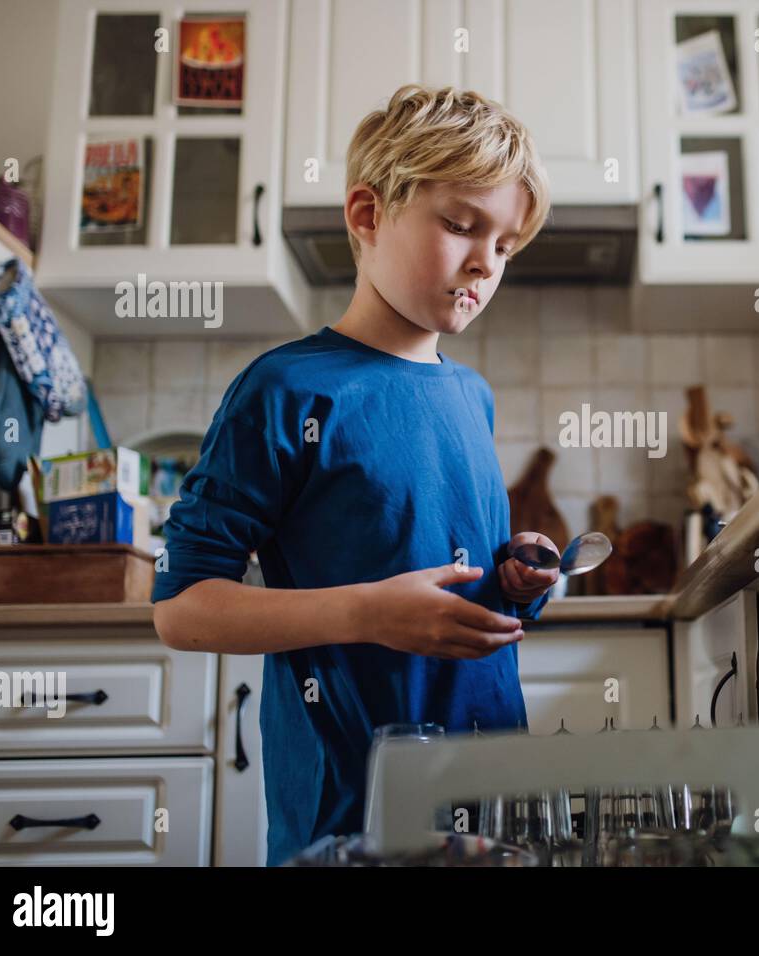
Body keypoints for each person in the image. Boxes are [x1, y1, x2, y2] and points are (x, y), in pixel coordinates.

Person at [152, 84, 558, 866]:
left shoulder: (473, 397)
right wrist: (367, 613)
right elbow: (182, 609)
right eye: (462, 225)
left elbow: (447, 582)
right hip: (347, 815)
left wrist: (511, 582)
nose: (485, 261)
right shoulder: (286, 390)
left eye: (505, 245)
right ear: (368, 215)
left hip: (487, 804)